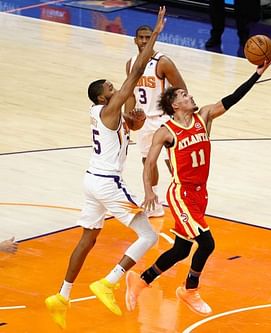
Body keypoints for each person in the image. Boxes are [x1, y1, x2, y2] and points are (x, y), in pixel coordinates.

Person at [44, 7, 167, 329]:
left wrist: (136, 122)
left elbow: (131, 127)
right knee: (148, 236)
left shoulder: (102, 113)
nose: (117, 89)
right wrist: (153, 36)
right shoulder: (109, 109)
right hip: (108, 183)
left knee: (88, 238)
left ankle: (62, 295)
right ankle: (110, 281)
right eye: (112, 88)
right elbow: (136, 72)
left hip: (91, 181)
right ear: (103, 96)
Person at [124, 56, 271, 316]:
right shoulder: (166, 131)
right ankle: (189, 289)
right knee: (207, 243)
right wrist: (149, 190)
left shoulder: (204, 116)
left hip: (200, 194)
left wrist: (257, 74)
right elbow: (149, 162)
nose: (189, 95)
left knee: (181, 249)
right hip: (180, 193)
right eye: (183, 94)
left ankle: (141, 280)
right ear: (174, 104)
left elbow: (232, 98)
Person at [125, 25, 188, 218]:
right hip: (143, 120)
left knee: (173, 161)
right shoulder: (131, 63)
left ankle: (184, 196)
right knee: (147, 161)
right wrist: (128, 117)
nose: (144, 41)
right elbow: (130, 94)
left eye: (147, 37)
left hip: (164, 118)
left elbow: (182, 89)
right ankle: (155, 202)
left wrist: (181, 116)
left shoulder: (162, 62)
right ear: (135, 40)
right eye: (140, 38)